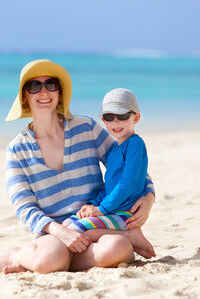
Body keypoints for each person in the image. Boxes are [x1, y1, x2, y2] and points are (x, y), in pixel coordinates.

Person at [0, 60, 156, 275]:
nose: (44, 91)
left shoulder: (87, 128)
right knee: (52, 259)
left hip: (95, 226)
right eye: (34, 86)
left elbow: (130, 167)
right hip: (52, 234)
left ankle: (46, 261)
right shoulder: (17, 149)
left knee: (119, 249)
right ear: (25, 95)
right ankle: (15, 255)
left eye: (51, 84)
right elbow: (24, 209)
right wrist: (61, 232)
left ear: (60, 92)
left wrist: (149, 196)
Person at [63, 88, 150, 233]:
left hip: (125, 213)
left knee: (75, 229)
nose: (115, 122)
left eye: (122, 115)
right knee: (66, 224)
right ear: (103, 120)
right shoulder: (114, 149)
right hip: (112, 209)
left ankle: (133, 236)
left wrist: (102, 209)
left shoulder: (135, 144)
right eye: (109, 117)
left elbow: (127, 183)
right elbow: (110, 186)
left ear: (136, 118)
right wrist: (93, 204)